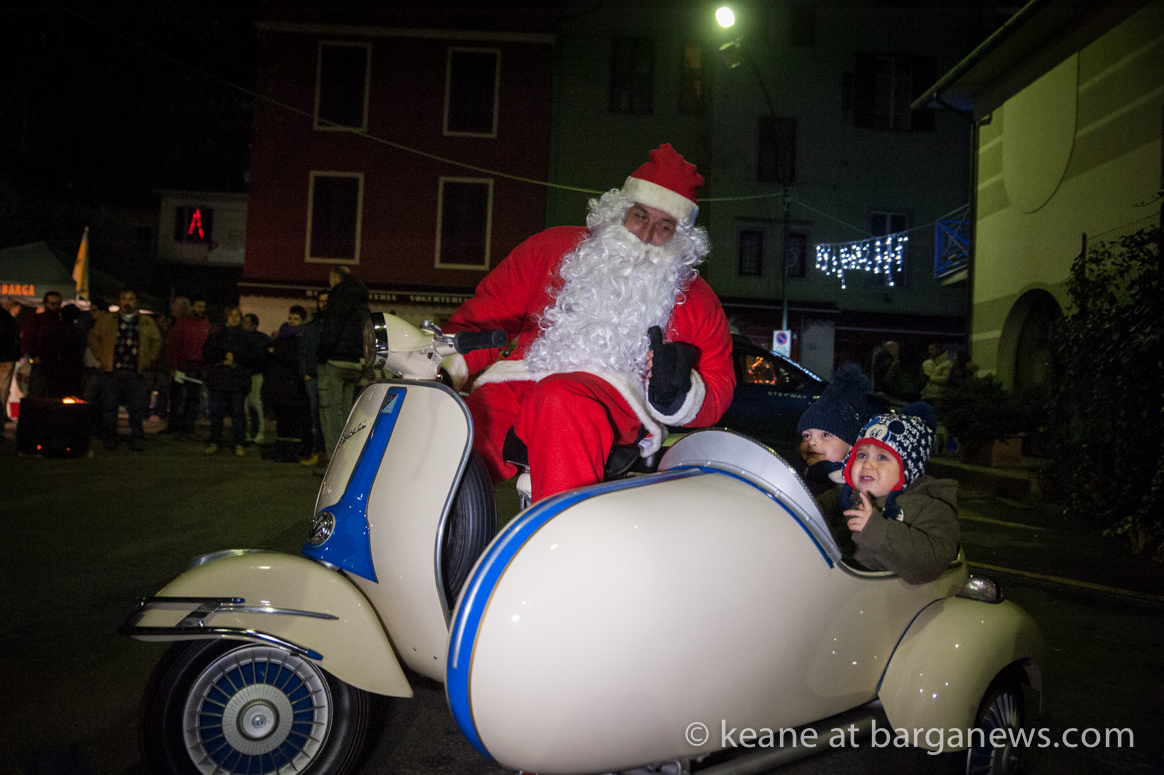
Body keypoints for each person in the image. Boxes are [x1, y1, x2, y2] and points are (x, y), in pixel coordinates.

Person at [443, 144, 735, 502]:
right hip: (521, 379)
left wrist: (678, 393)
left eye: (664, 226)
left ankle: (562, 545)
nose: (644, 235)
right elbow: (488, 313)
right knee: (451, 428)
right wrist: (448, 363)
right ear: (619, 211)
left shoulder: (697, 299)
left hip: (612, 399)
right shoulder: (549, 248)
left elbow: (719, 382)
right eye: (639, 216)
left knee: (559, 400)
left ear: (680, 238)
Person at [822, 402, 960, 584]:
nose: (867, 465)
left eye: (882, 457)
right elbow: (809, 511)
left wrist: (877, 531)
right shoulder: (843, 495)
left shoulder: (928, 506)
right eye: (862, 455)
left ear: (907, 469)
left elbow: (934, 561)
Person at [87, 290, 162, 451]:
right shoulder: (108, 320)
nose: (127, 302)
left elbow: (156, 341)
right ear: (119, 301)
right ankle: (110, 437)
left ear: (136, 302)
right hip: (112, 370)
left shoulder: (146, 321)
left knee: (136, 407)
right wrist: (101, 355)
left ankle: (137, 437)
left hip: (136, 371)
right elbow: (93, 336)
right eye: (123, 299)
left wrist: (149, 358)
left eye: (130, 299)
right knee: (110, 407)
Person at [796, 363, 873, 496]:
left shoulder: (855, 485)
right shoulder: (795, 469)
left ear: (851, 445)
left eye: (825, 435)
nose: (812, 442)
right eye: (807, 436)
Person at [316, 266, 370, 456]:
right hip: (355, 362)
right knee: (346, 412)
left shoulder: (338, 296)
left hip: (336, 361)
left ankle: (335, 462)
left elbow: (331, 329)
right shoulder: (362, 300)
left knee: (330, 412)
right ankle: (349, 456)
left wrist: (321, 355)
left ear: (336, 278)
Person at [203, 307, 264, 456]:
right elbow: (207, 352)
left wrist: (235, 358)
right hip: (219, 378)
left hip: (238, 379)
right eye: (231, 315)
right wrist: (223, 357)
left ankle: (239, 443)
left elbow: (253, 356)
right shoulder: (217, 335)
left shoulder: (246, 337)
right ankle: (215, 441)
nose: (234, 318)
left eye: (237, 316)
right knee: (217, 412)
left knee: (238, 412)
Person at [261, 306, 311, 462]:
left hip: (293, 385)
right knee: (281, 417)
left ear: (302, 321)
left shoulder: (302, 337)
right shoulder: (282, 335)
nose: (291, 321)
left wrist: (274, 352)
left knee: (293, 418)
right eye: (290, 318)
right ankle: (281, 449)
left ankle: (293, 451)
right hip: (278, 383)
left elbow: (293, 358)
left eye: (295, 319)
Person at [166, 297, 212, 439]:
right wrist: (174, 366)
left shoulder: (206, 324)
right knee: (178, 396)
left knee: (193, 397)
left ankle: (188, 428)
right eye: (198, 306)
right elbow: (175, 345)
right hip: (183, 365)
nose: (201, 309)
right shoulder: (183, 323)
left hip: (198, 365)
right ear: (192, 307)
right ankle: (176, 426)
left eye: (203, 306)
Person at [298, 293, 328, 467]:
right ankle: (317, 452)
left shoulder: (331, 325)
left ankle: (324, 453)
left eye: (326, 301)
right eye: (321, 301)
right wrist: (305, 372)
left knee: (325, 416)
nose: (323, 304)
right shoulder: (311, 327)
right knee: (315, 417)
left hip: (325, 374)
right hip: (312, 376)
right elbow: (303, 351)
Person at [20, 291, 64, 398]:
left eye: (57, 304)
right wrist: (34, 355)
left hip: (55, 362)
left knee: (52, 392)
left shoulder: (60, 320)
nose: (55, 307)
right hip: (41, 361)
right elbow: (27, 338)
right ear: (45, 304)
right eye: (52, 304)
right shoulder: (37, 319)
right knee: (37, 391)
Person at [241, 312, 269, 445]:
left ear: (253, 325)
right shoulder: (261, 338)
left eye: (246, 322)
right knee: (245, 404)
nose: (243, 325)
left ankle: (259, 431)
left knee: (254, 403)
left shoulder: (259, 339)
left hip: (254, 374)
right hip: (247, 374)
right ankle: (249, 432)